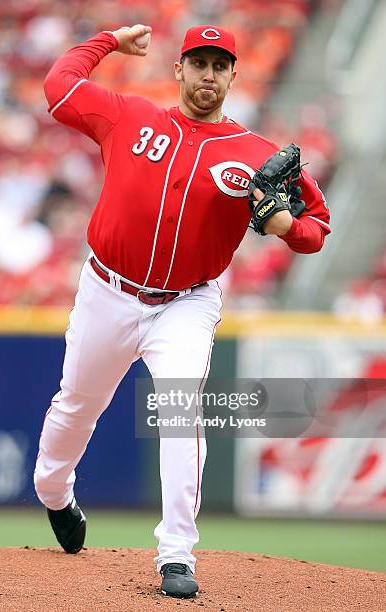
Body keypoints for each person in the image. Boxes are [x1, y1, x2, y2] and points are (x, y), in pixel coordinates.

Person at [34, 23, 331, 598]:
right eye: (199, 62)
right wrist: (108, 41)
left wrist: (285, 224)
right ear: (180, 69)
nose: (208, 75)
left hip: (188, 302)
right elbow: (58, 85)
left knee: (181, 410)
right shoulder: (130, 116)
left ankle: (176, 554)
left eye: (220, 66)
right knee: (76, 405)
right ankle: (54, 491)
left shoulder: (257, 154)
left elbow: (316, 229)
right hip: (107, 290)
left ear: (233, 76)